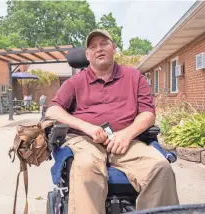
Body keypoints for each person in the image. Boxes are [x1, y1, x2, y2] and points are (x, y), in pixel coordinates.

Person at [45, 29, 179, 214]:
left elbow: (147, 113)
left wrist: (127, 134)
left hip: (126, 140)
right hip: (87, 140)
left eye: (104, 44)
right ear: (87, 55)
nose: (98, 49)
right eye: (93, 46)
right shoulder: (75, 82)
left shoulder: (134, 77)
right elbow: (53, 110)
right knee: (86, 167)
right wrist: (86, 127)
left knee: (160, 168)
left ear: (113, 48)